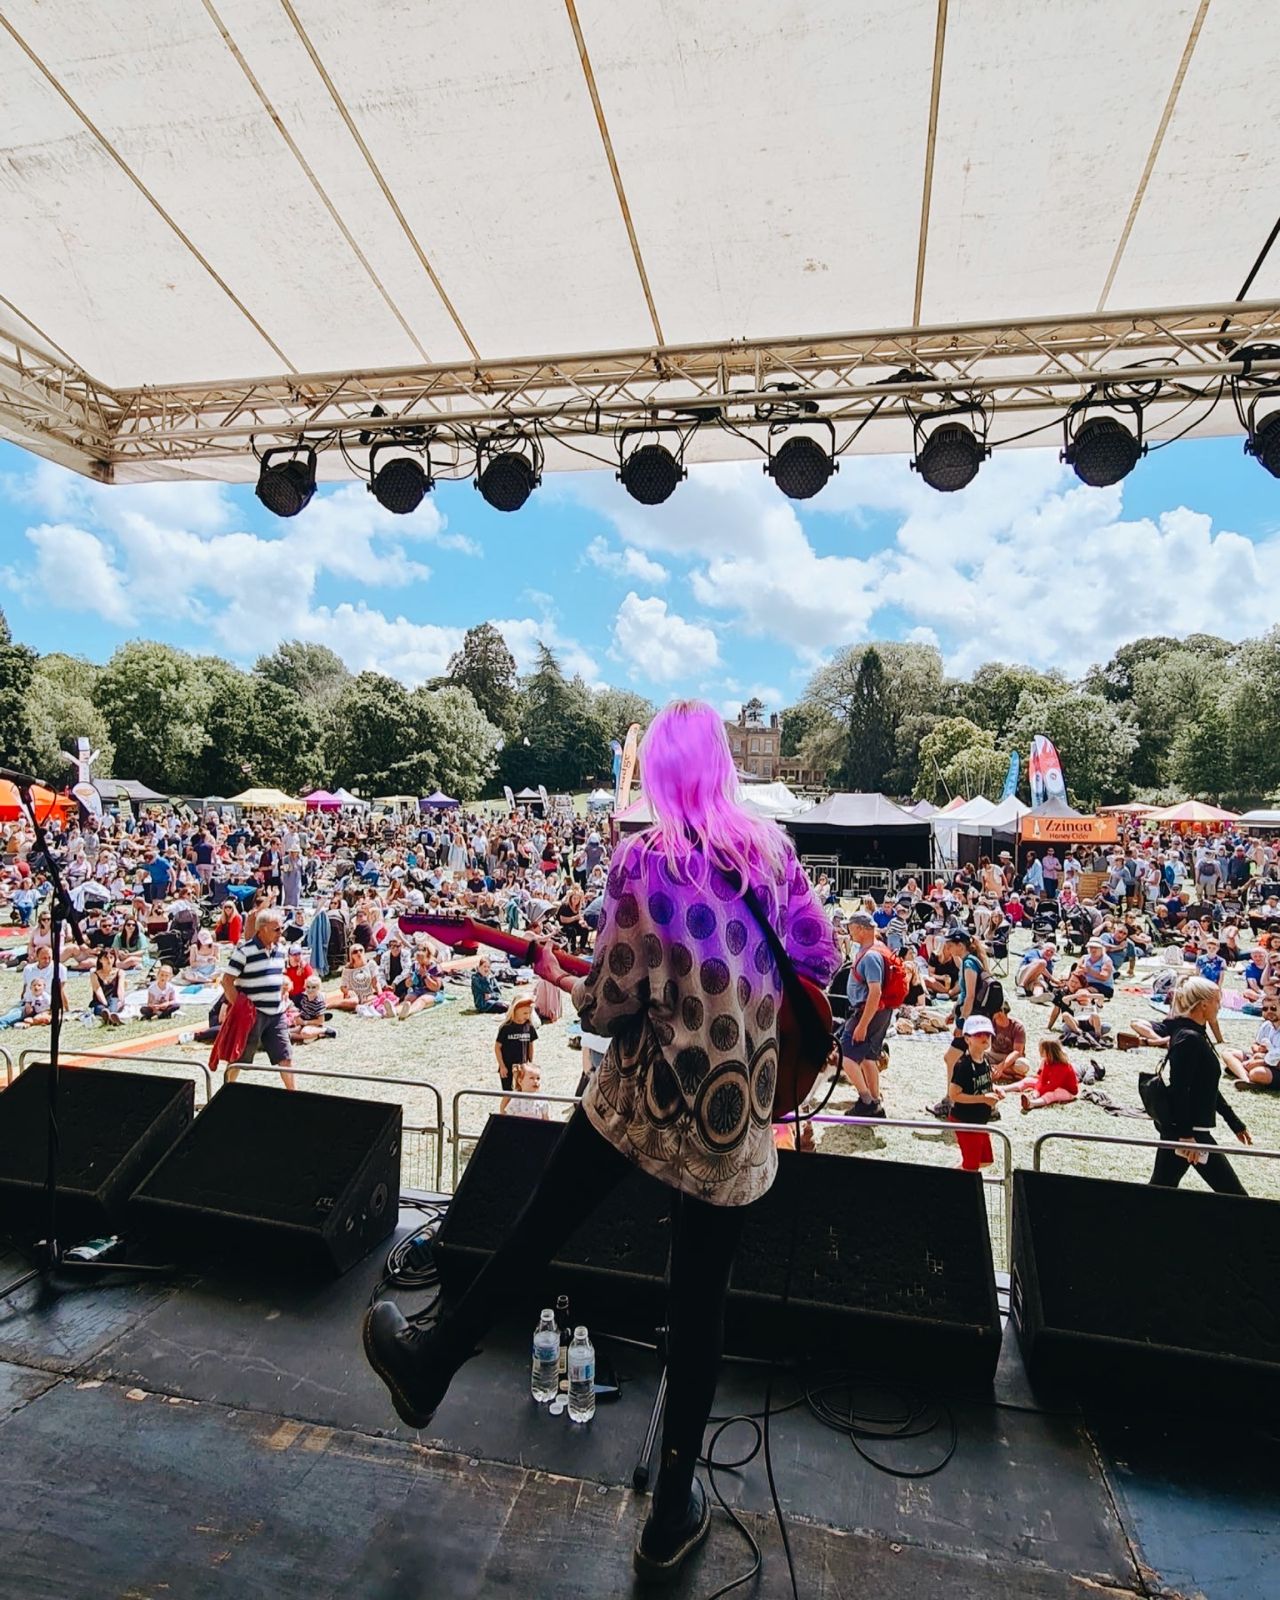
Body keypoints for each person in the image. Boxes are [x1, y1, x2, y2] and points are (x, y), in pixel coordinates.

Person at [363, 698, 839, 1583]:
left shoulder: (645, 859)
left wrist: (564, 976)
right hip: (732, 1116)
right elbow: (820, 956)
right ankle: (670, 1515)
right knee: (700, 1307)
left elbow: (612, 1003)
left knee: (537, 1230)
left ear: (659, 772)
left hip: (640, 1097)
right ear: (724, 765)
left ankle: (430, 1366)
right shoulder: (772, 852)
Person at [1147, 975, 1250, 1193]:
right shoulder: (1189, 1038)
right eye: (1217, 1001)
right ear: (1203, 1005)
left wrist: (1234, 1122)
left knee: (1159, 1190)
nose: (1219, 1006)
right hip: (1190, 1132)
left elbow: (1206, 1086)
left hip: (1185, 1130)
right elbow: (1180, 1089)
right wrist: (1186, 1136)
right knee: (1235, 1196)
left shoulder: (1192, 1034)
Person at [222, 905, 296, 1091]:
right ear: (262, 929)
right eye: (276, 929)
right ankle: (225, 1094)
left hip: (277, 1014)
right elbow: (227, 981)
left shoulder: (281, 950)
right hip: (252, 1015)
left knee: (285, 1057)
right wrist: (240, 1007)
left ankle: (294, 1095)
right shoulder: (244, 951)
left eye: (281, 928)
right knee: (238, 1058)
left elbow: (278, 975)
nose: (280, 932)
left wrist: (284, 985)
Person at [837, 910, 892, 1117]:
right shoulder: (879, 949)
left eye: (850, 926)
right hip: (879, 1012)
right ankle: (875, 1102)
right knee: (869, 1058)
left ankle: (866, 1100)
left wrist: (862, 1025)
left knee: (846, 1056)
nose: (848, 930)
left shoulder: (870, 956)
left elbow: (875, 991)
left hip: (866, 1012)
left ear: (860, 928)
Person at [947, 1016, 1001, 1170]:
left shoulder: (985, 1060)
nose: (985, 1037)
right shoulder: (963, 1065)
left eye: (988, 1034)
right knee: (971, 1166)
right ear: (967, 1039)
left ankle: (948, 1175)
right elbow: (954, 1095)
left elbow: (980, 1084)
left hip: (980, 1121)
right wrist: (983, 1098)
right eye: (978, 1034)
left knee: (986, 1160)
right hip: (965, 1121)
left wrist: (995, 1090)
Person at [1222, 995, 1280, 1088]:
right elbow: (1255, 1044)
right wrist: (1258, 1049)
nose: (1269, 1011)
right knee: (1227, 1053)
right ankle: (1246, 1079)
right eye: (1265, 1009)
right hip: (1260, 1059)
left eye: (1273, 1008)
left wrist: (1261, 1061)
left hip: (1275, 1066)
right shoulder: (1266, 1025)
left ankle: (1239, 1069)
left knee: (1256, 1073)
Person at [495, 991, 538, 1108]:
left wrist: (530, 1063)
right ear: (515, 1010)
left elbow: (530, 1045)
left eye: (529, 1013)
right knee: (508, 1093)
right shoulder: (506, 1028)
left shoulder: (529, 1027)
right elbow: (497, 1047)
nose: (527, 1016)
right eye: (524, 1013)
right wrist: (502, 1066)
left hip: (522, 1066)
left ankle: (519, 1111)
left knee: (522, 1091)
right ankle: (503, 1113)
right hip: (507, 1066)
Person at [1018, 1039, 1079, 1111]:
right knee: (1032, 1083)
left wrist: (1040, 1092)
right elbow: (1042, 1080)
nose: (1040, 1051)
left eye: (1042, 1050)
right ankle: (1030, 1098)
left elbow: (1053, 1085)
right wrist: (1036, 1092)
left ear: (1049, 1052)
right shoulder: (1047, 1062)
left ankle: (1031, 1104)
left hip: (1069, 1092)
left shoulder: (1063, 1066)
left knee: (1050, 1095)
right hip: (1057, 1087)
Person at [89, 948, 127, 1026]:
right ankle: (107, 1016)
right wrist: (105, 1004)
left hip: (113, 998)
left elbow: (120, 988)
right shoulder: (94, 974)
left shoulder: (120, 972)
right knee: (101, 1008)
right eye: (106, 958)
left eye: (111, 957)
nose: (109, 960)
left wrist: (121, 1000)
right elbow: (98, 990)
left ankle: (112, 1017)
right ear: (100, 960)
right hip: (100, 1001)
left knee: (113, 1006)